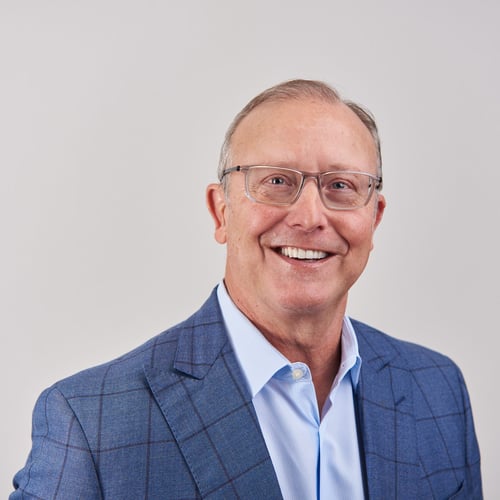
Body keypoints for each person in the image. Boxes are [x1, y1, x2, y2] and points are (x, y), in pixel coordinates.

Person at [11, 79, 482, 499]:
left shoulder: (438, 391)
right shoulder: (91, 425)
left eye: (341, 185)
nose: (310, 217)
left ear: (374, 219)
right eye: (277, 181)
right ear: (221, 211)